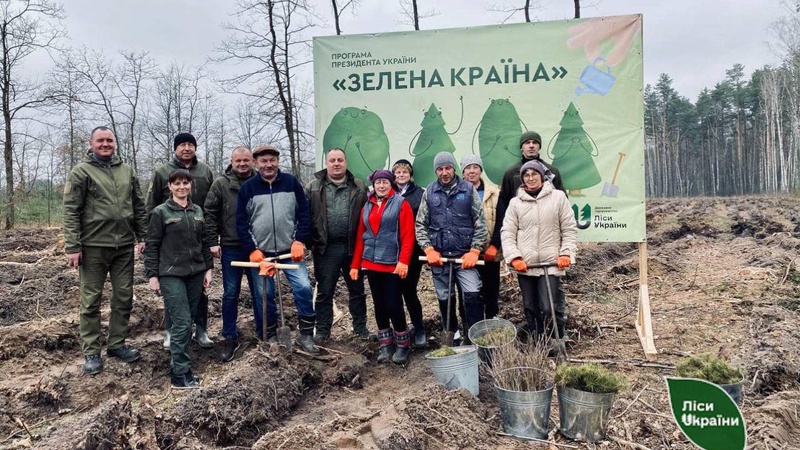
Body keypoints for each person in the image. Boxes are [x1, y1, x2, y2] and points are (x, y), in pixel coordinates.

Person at [63, 126, 147, 375]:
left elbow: (139, 205)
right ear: (91, 144)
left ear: (115, 144)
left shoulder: (126, 171)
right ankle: (91, 351)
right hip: (93, 247)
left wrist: (142, 235)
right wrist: (72, 246)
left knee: (123, 297)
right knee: (90, 301)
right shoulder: (81, 172)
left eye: (109, 140)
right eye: (100, 140)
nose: (105, 144)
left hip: (123, 246)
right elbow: (70, 210)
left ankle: (116, 344)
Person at [236, 144, 320, 355]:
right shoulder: (248, 188)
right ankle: (270, 335)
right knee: (264, 293)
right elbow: (241, 223)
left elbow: (304, 215)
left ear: (277, 161)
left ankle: (306, 335)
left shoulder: (291, 183)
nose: (268, 164)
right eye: (263, 161)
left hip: (289, 252)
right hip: (262, 255)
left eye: (272, 160)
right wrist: (252, 250)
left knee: (303, 288)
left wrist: (299, 240)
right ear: (256, 163)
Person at [146, 132, 216, 349]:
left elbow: (214, 204)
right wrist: (147, 236)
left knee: (199, 290)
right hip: (172, 237)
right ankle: (171, 330)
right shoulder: (162, 173)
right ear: (175, 148)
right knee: (174, 293)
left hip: (198, 234)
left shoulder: (205, 172)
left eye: (190, 144)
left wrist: (213, 239)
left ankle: (201, 329)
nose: (187, 148)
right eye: (182, 145)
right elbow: (151, 205)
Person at [145, 169, 213, 388]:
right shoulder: (161, 212)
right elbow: (152, 245)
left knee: (187, 321)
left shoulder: (197, 211)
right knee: (182, 322)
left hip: (195, 273)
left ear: (190, 185)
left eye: (186, 183)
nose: (182, 187)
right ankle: (179, 374)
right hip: (171, 274)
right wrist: (152, 275)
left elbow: (204, 242)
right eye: (177, 183)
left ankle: (182, 367)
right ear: (170, 187)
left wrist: (208, 269)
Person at [501, 160, 577, 355]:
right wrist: (514, 257)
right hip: (525, 264)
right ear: (522, 179)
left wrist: (566, 253)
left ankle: (556, 337)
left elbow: (569, 228)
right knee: (530, 306)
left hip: (551, 262)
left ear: (542, 176)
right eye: (526, 175)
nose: (531, 178)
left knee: (548, 304)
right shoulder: (515, 203)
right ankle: (538, 341)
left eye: (534, 174)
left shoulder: (558, 198)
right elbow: (507, 232)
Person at [415, 152, 488, 344]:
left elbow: (480, 223)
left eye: (448, 168)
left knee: (472, 296)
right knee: (445, 298)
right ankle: (452, 336)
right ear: (436, 171)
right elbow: (420, 225)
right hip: (440, 259)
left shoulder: (468, 190)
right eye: (440, 169)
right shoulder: (429, 192)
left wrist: (475, 250)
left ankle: (475, 338)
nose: (444, 172)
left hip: (465, 258)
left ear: (454, 168)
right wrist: (428, 249)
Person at [349, 170, 415, 364]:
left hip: (392, 264)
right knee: (379, 305)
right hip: (371, 263)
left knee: (393, 304)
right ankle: (386, 344)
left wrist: (403, 261)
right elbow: (362, 237)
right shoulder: (367, 206)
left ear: (391, 184)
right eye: (378, 182)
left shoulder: (400, 204)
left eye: (385, 182)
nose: (381, 185)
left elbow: (408, 236)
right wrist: (355, 265)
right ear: (374, 184)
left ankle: (403, 344)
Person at [306, 148, 371, 343]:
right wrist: (310, 243)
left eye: (340, 160)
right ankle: (323, 331)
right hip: (326, 249)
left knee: (357, 290)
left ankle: (360, 329)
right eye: (332, 160)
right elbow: (304, 216)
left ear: (346, 162)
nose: (336, 164)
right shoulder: (314, 187)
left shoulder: (359, 187)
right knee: (325, 291)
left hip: (353, 248)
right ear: (326, 163)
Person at [204, 146, 259, 362]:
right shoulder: (221, 184)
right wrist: (212, 241)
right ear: (232, 161)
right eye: (239, 161)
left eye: (246, 160)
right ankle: (229, 336)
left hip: (257, 247)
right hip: (231, 246)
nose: (243, 164)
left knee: (260, 291)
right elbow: (210, 213)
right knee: (230, 293)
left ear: (252, 161)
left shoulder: (261, 182)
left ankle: (264, 332)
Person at [491, 131, 564, 270]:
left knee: (552, 284)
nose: (531, 146)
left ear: (539, 147)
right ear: (521, 147)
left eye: (535, 142)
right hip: (523, 240)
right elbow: (504, 208)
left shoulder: (552, 172)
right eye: (527, 143)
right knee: (526, 280)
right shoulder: (510, 173)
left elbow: (563, 205)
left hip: (549, 239)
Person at [460, 154, 502, 320]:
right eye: (468, 168)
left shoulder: (495, 193)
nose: (472, 171)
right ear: (463, 172)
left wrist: (495, 245)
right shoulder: (457, 192)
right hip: (465, 254)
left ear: (480, 170)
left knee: (491, 291)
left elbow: (502, 221)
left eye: (475, 167)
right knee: (469, 294)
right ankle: (469, 328)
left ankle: (491, 324)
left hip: (489, 254)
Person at [392, 159, 426, 347]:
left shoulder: (420, 194)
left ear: (410, 174)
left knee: (409, 291)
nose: (401, 175)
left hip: (412, 252)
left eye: (405, 172)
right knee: (394, 293)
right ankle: (401, 330)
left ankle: (419, 327)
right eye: (398, 172)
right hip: (391, 251)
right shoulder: (387, 193)